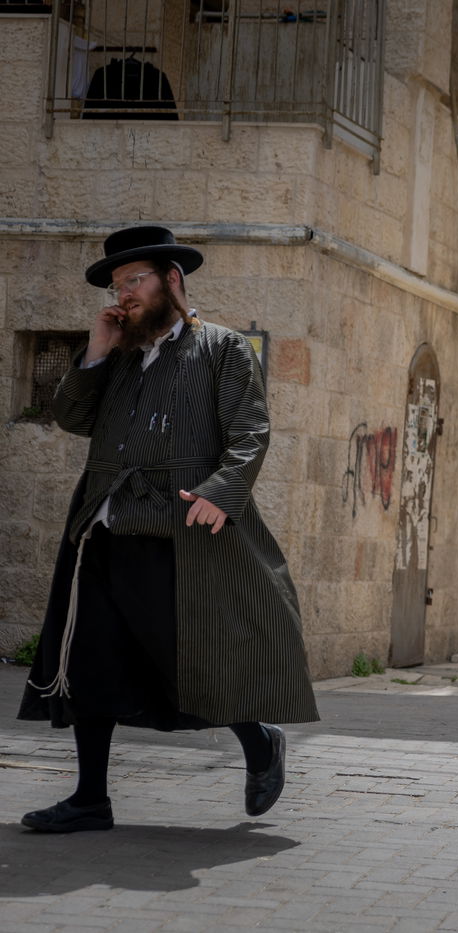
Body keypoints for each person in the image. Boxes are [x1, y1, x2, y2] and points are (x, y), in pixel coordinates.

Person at [18, 225, 319, 833]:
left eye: (135, 280)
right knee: (89, 659)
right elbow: (72, 417)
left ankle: (259, 742)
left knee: (189, 661)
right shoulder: (122, 358)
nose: (123, 294)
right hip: (101, 528)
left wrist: (220, 493)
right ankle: (90, 799)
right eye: (116, 284)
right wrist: (98, 349)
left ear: (172, 281)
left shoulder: (223, 348)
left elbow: (251, 433)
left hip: (179, 531)